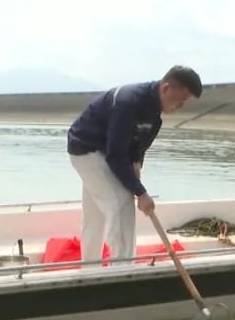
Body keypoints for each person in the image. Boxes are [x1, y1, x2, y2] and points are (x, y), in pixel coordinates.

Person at [66, 65, 203, 265]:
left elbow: (138, 146)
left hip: (105, 151)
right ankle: (123, 270)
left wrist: (136, 162)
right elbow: (115, 156)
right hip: (87, 150)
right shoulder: (128, 102)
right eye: (179, 101)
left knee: (96, 212)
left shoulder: (155, 117)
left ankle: (90, 269)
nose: (180, 107)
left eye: (185, 103)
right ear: (165, 88)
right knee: (121, 204)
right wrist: (141, 193)